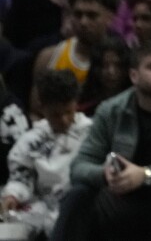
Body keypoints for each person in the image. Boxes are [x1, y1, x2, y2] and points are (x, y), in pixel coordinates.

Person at [52, 41, 151, 241]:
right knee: (79, 193)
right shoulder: (110, 110)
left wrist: (146, 174)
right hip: (122, 199)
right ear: (134, 75)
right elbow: (79, 167)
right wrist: (106, 174)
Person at [4, 70, 88, 239]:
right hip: (41, 203)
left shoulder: (92, 132)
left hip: (80, 203)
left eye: (68, 112)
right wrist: (13, 194)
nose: (64, 120)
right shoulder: (31, 139)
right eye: (56, 115)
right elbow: (21, 174)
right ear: (42, 108)